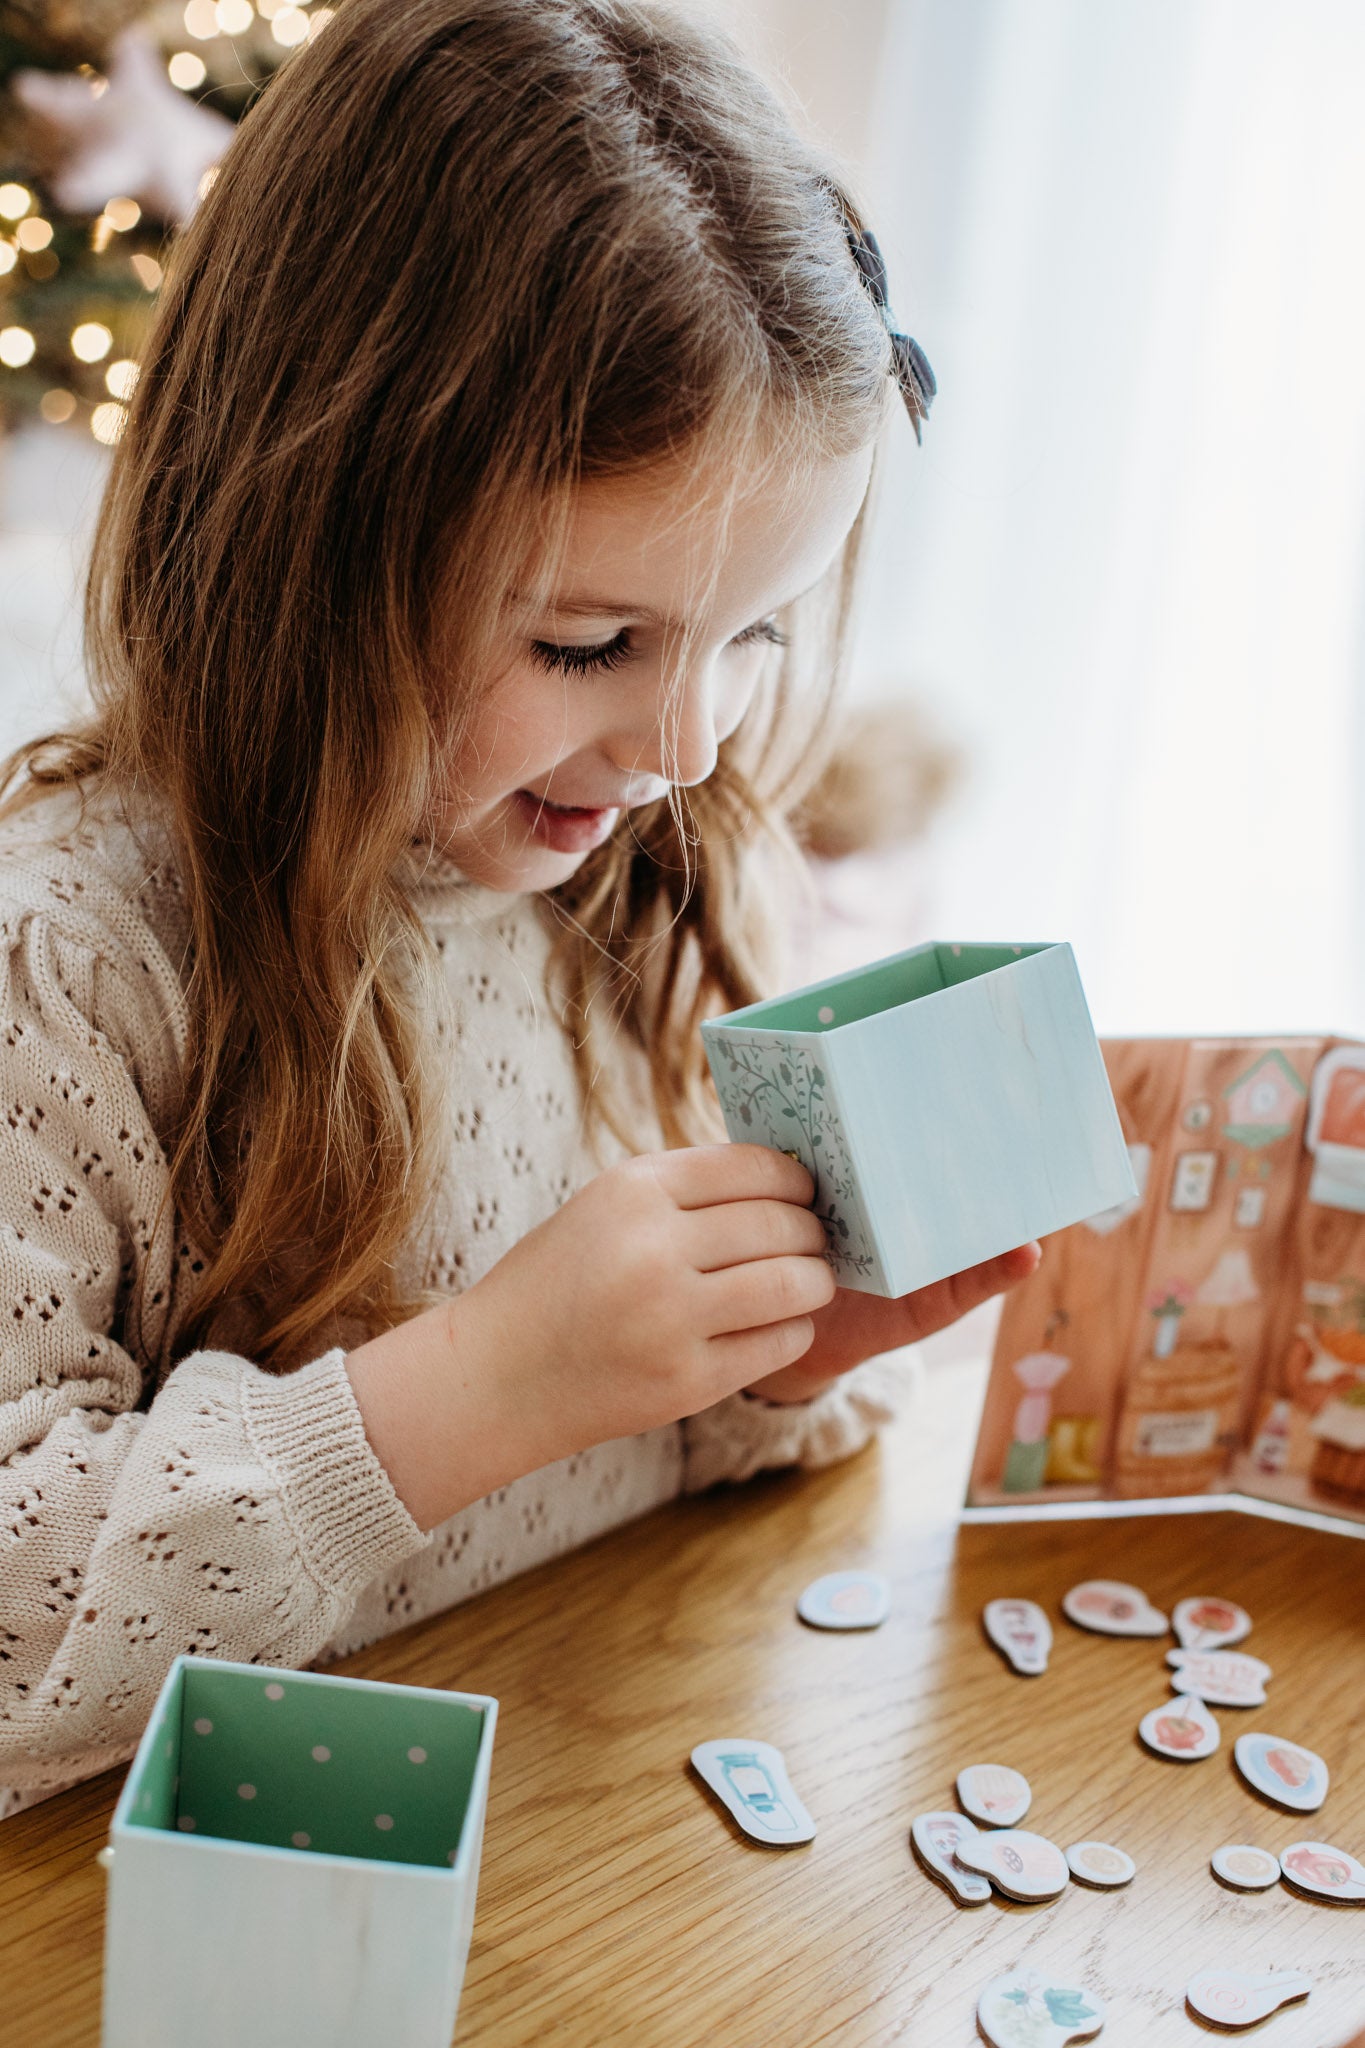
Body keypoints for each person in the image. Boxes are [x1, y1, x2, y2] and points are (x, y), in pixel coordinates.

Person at [0, 0, 1039, 1816]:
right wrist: (476, 1386)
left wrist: (765, 1365)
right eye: (586, 643)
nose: (686, 736)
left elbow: (611, 1485)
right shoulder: (70, 963)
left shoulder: (656, 876)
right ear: (304, 531)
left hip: (578, 1837)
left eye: (758, 631)